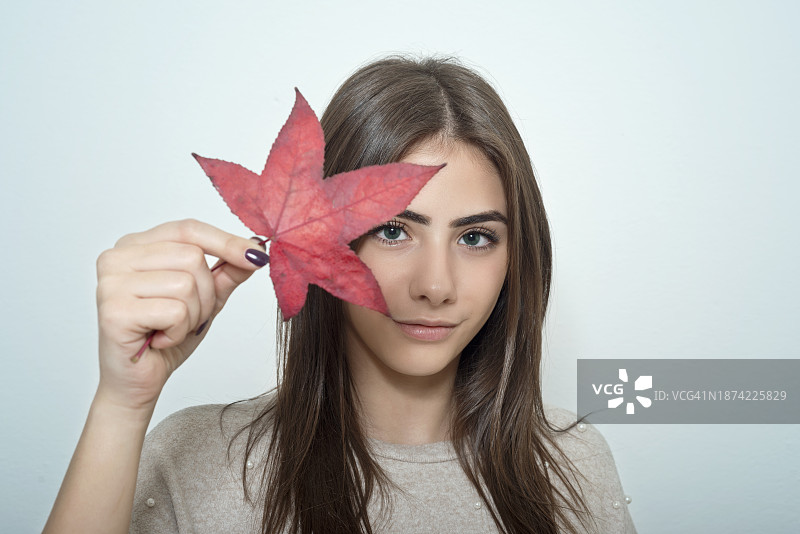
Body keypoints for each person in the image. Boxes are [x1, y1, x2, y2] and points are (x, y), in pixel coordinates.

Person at [44, 56, 636, 534]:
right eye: (393, 230)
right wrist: (122, 407)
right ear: (319, 240)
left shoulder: (573, 464)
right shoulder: (197, 460)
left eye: (476, 237)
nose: (435, 286)